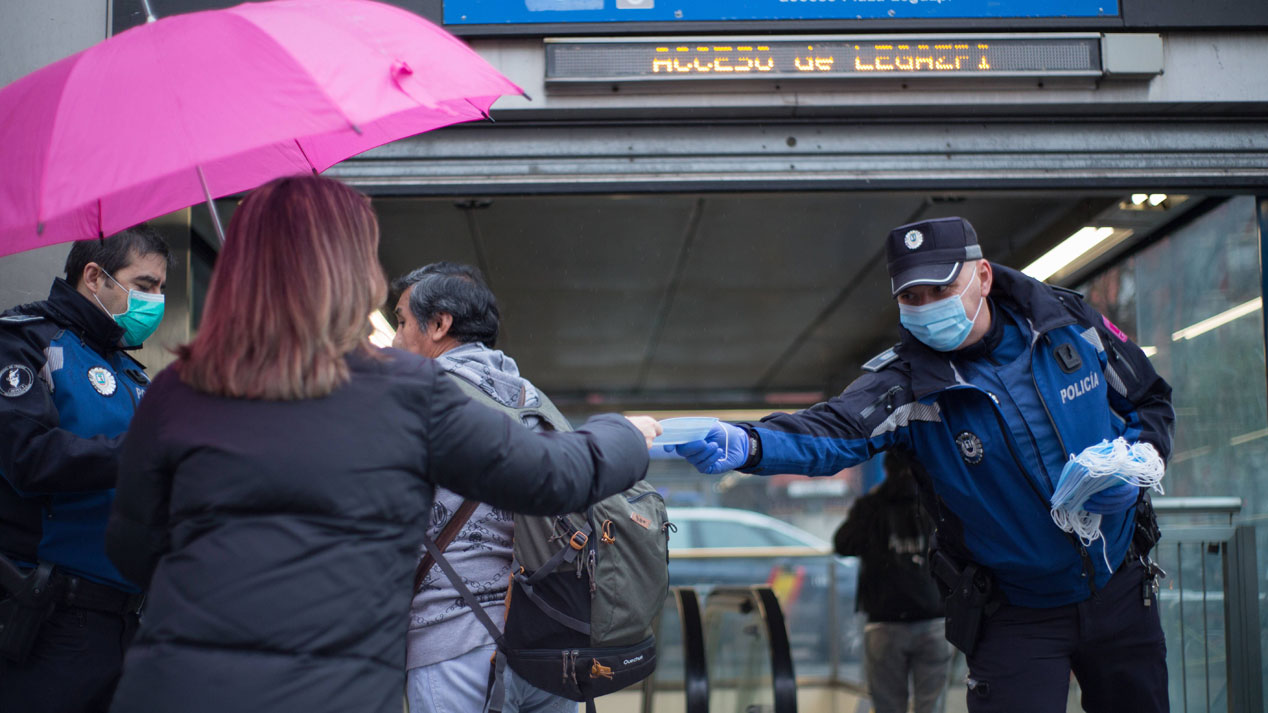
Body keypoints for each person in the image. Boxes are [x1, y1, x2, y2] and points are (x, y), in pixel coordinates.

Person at [102, 175, 660, 713]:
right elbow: (551, 476)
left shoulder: (176, 388)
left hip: (174, 685)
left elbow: (132, 549)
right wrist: (625, 432)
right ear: (349, 270)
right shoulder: (401, 388)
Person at [669, 216, 1173, 713]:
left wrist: (1140, 463)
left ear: (982, 277)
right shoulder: (907, 385)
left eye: (940, 288)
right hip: (1018, 615)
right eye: (911, 297)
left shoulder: (1068, 324)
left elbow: (1148, 400)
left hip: (1121, 592)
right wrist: (751, 443)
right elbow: (833, 429)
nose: (928, 306)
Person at [390, 262, 576, 713]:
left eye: (400, 321)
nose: (395, 339)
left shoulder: (412, 398)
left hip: (452, 644)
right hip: (549, 647)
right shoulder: (534, 401)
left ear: (439, 325)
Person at [0, 226, 170, 713]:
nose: (156, 301)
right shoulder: (24, 343)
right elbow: (28, 457)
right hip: (50, 619)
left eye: (161, 288)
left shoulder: (132, 374)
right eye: (144, 285)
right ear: (95, 277)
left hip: (127, 624)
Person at [834, 449, 951, 713]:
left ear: (886, 469)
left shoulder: (871, 506)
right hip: (935, 619)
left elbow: (842, 544)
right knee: (931, 705)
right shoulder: (937, 504)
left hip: (884, 622)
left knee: (887, 705)